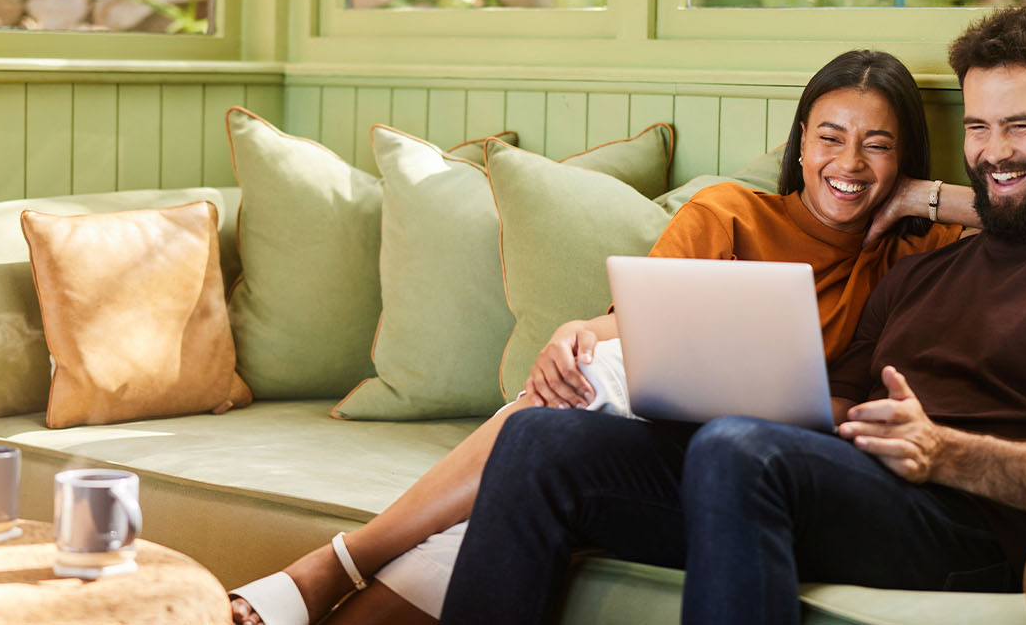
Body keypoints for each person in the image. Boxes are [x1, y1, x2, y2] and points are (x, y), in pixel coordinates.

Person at [441, 4, 1026, 625]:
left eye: (1021, 126)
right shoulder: (925, 269)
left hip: (971, 529)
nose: (995, 152)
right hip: (843, 489)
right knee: (539, 439)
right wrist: (726, 387)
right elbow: (835, 407)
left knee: (741, 449)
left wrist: (945, 452)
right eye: (978, 127)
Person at [229, 49, 983, 625]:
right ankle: (333, 570)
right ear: (801, 141)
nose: (848, 164)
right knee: (592, 372)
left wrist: (926, 195)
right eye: (830, 137)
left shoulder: (918, 250)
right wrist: (574, 333)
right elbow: (637, 327)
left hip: (757, 462)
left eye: (877, 145)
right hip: (654, 433)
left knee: (544, 435)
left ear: (904, 157)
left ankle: (335, 569)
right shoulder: (730, 213)